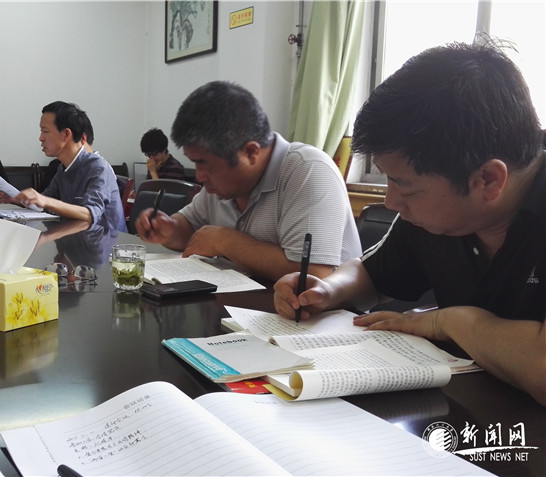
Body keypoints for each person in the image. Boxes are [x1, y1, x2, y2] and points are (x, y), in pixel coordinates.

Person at [272, 42, 546, 406]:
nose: (390, 202)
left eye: (404, 186)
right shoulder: (435, 215)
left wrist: (448, 322)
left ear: (488, 180)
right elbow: (373, 274)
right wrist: (327, 290)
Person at [135, 81, 361, 282]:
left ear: (251, 152)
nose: (200, 176)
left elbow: (313, 274)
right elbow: (190, 228)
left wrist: (225, 241)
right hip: (249, 305)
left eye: (205, 163)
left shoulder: (307, 170)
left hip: (324, 315)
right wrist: (169, 229)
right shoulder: (221, 185)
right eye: (195, 162)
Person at [0, 101, 126, 231]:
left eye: (45, 131)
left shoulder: (98, 167)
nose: (40, 138)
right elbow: (43, 202)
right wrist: (15, 198)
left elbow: (90, 214)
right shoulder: (63, 168)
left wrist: (44, 201)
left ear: (66, 134)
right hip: (76, 238)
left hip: (109, 241)